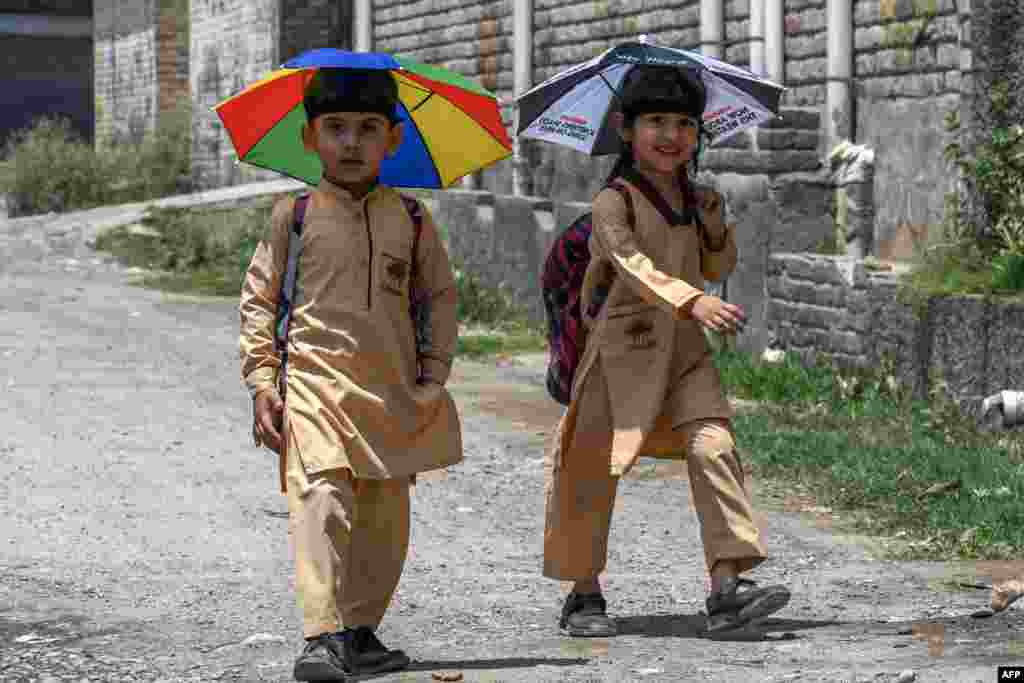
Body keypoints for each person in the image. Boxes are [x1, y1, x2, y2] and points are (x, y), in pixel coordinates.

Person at [542, 65, 791, 637]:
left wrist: (715, 225)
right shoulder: (614, 202)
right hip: (618, 353)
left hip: (683, 352)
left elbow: (717, 267)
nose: (671, 135)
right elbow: (634, 267)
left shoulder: (694, 197)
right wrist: (693, 301)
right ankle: (583, 593)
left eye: (684, 123)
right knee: (587, 469)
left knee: (714, 447)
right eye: (656, 121)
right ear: (626, 129)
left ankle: (727, 589)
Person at [239, 68, 462, 681]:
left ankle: (360, 632)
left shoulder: (413, 219)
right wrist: (263, 379)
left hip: (392, 391)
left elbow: (439, 298)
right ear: (309, 138)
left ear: (393, 141)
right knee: (322, 499)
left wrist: (435, 374)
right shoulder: (296, 215)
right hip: (312, 385)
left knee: (385, 518)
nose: (351, 142)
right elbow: (260, 299)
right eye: (335, 128)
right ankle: (321, 636)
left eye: (368, 129)